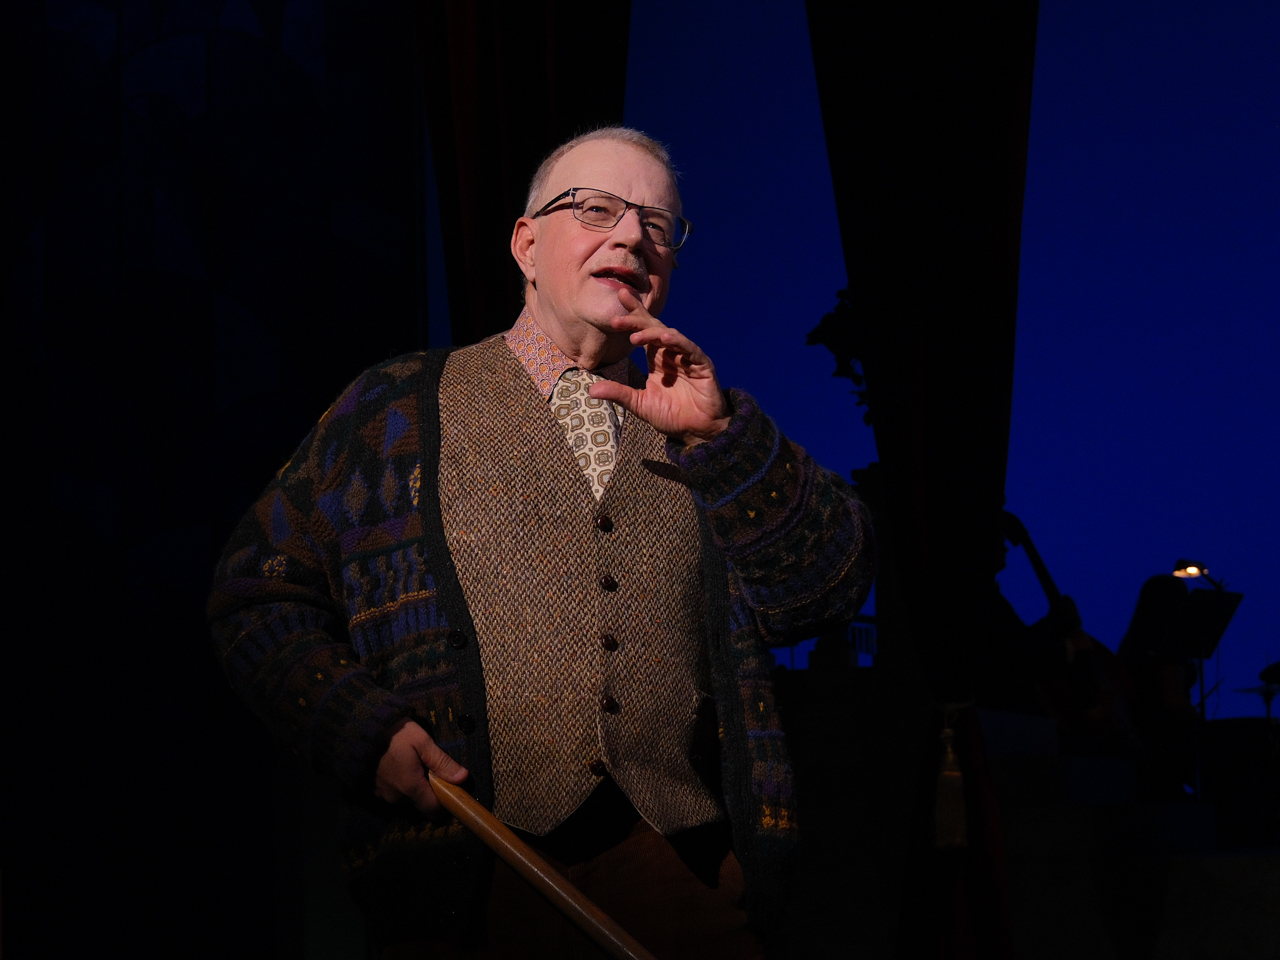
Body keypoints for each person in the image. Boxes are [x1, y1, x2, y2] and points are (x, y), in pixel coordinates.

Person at [208, 127, 874, 959]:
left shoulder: (706, 428)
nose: (630, 237)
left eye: (657, 226)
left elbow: (827, 590)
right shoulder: (396, 410)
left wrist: (721, 443)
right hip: (475, 878)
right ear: (527, 245)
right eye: (596, 210)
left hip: (683, 880)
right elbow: (255, 594)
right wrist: (358, 725)